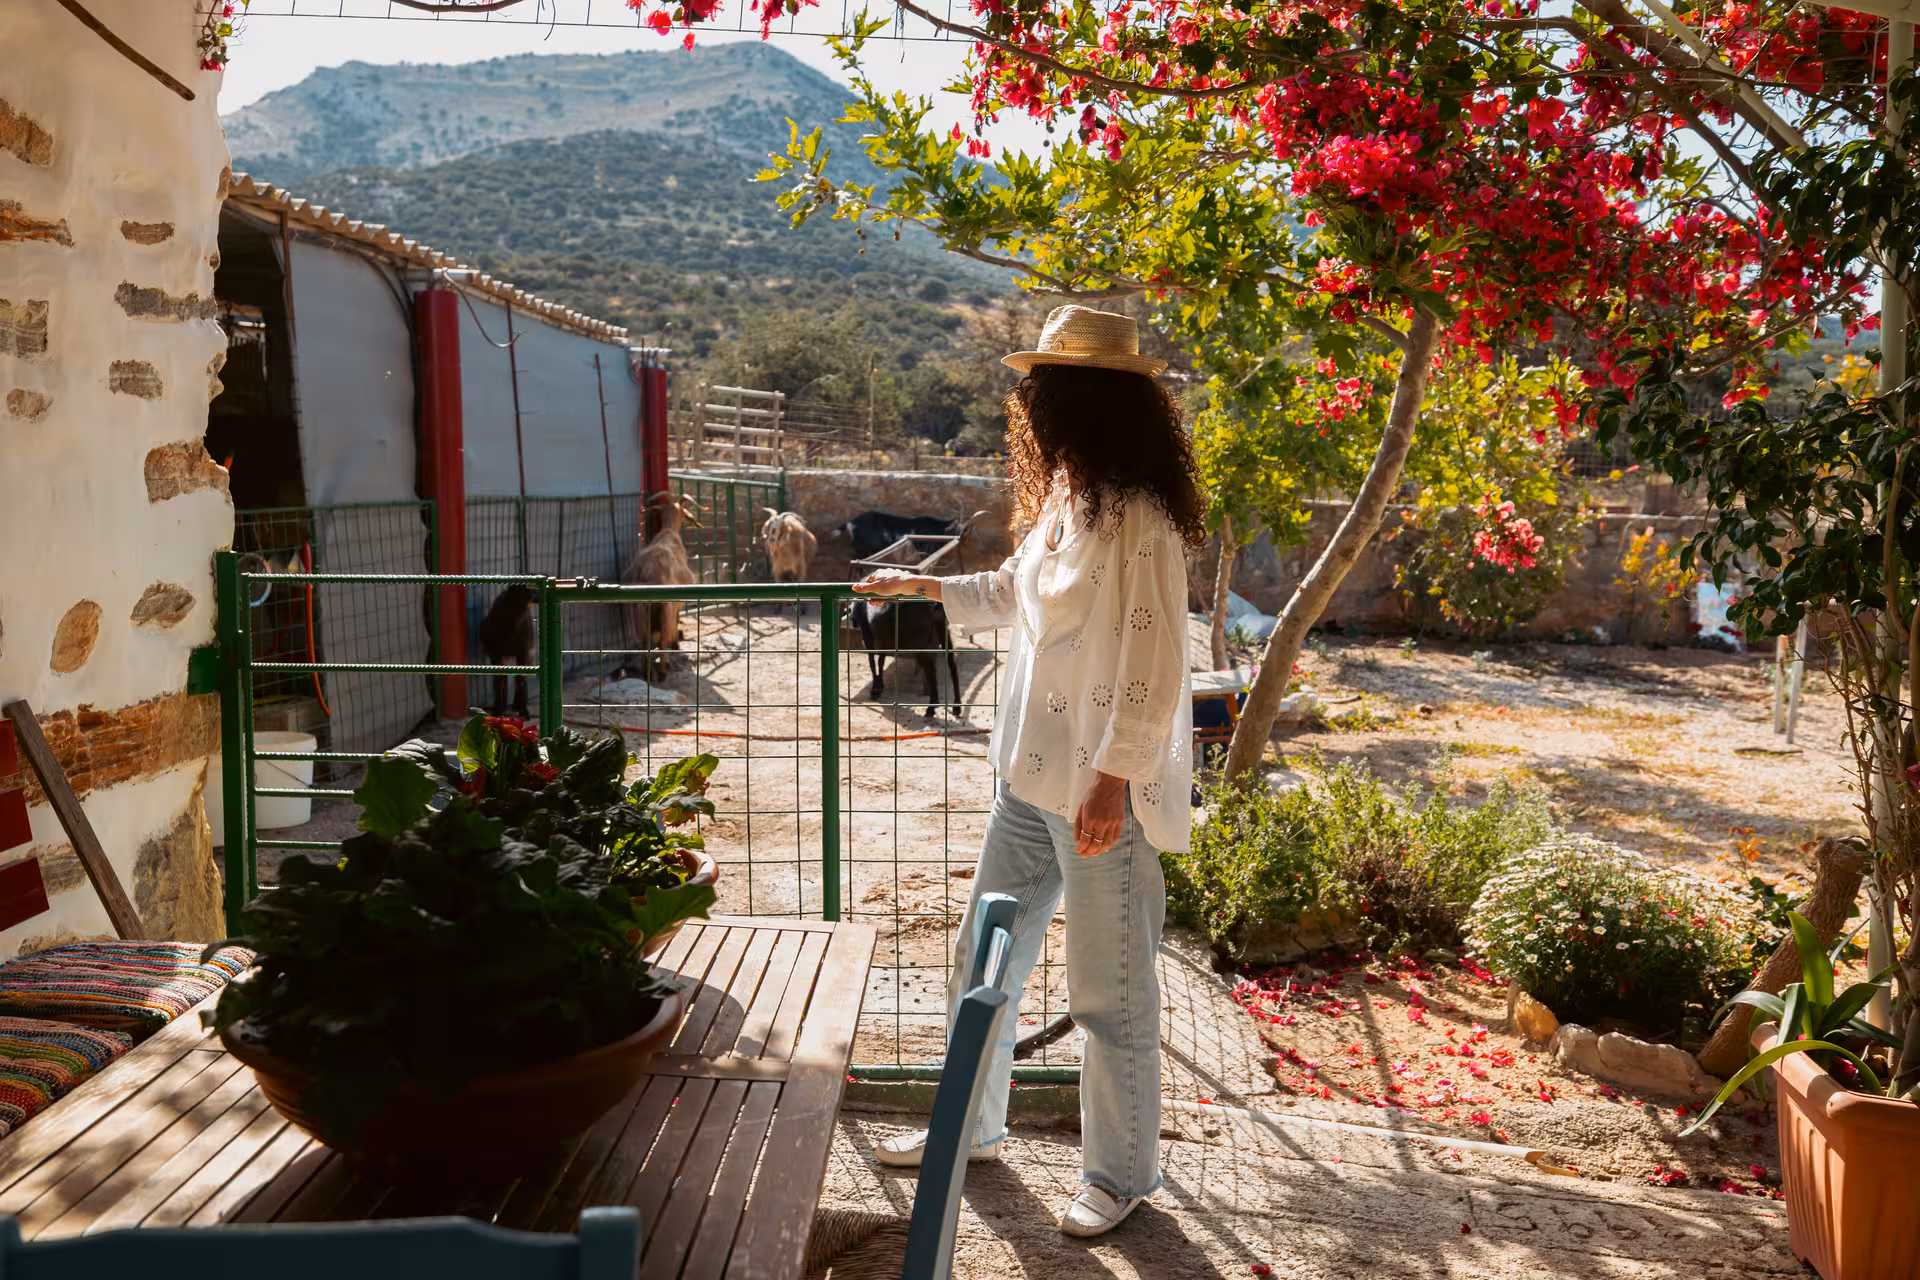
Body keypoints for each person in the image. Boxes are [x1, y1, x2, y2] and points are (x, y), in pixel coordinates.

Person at [853, 305, 1205, 1238]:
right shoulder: (1067, 499)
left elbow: (1158, 665)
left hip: (1095, 792)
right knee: (984, 961)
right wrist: (920, 586)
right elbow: (1012, 592)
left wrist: (1114, 778)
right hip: (1028, 778)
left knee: (1108, 989)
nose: (1031, 405)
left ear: (1083, 401)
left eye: (1045, 390)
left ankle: (1119, 1174)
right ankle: (968, 1129)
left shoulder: (1145, 521)